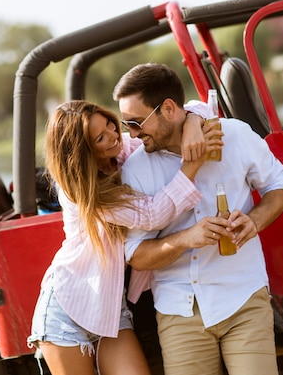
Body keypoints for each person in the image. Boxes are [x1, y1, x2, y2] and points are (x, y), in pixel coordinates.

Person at [113, 62, 283, 375]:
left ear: (168, 108)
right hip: (177, 309)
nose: (132, 133)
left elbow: (280, 187)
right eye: (127, 123)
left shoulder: (234, 135)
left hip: (243, 296)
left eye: (137, 122)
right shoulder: (135, 170)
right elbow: (137, 256)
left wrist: (255, 221)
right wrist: (185, 238)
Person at [27, 99, 222, 375]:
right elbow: (152, 214)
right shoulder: (79, 194)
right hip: (66, 311)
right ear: (82, 151)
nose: (114, 136)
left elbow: (194, 105)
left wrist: (190, 121)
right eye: (100, 137)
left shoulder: (120, 153)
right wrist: (193, 164)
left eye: (109, 124)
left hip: (110, 310)